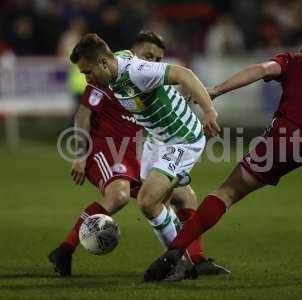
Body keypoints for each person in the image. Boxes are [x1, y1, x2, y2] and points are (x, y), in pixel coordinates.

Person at [143, 40, 302, 283]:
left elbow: (261, 70)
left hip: (285, 137)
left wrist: (215, 90)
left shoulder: (296, 60)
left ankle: (174, 252)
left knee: (227, 193)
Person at [49, 31, 228, 277]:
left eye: (87, 72)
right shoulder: (110, 72)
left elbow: (183, 74)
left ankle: (181, 262)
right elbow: (84, 112)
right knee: (168, 198)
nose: (87, 78)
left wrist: (209, 111)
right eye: (149, 55)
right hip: (142, 144)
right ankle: (187, 259)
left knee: (150, 201)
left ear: (103, 63)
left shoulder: (137, 71)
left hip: (180, 141)